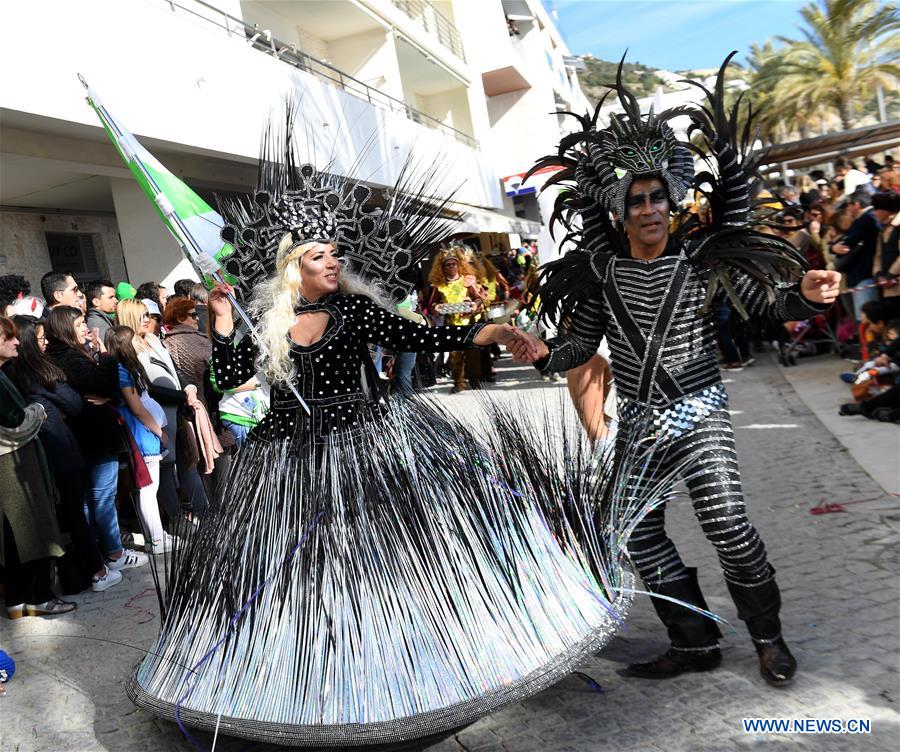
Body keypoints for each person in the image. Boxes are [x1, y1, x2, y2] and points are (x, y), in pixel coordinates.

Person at [128, 128, 653, 745]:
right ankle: (306, 675)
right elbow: (222, 378)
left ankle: (405, 661)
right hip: (289, 462)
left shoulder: (353, 311)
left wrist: (485, 335)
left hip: (365, 444)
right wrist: (221, 325)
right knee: (311, 571)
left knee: (387, 561)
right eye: (320, 256)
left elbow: (420, 338)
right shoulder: (264, 320)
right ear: (292, 268)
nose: (334, 263)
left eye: (335, 255)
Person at [510, 54, 841, 687]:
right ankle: (693, 642)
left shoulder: (704, 263)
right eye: (635, 201)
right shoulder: (599, 275)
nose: (648, 209)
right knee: (634, 532)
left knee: (727, 526)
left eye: (658, 196)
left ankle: (769, 639)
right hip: (639, 424)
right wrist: (544, 355)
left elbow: (765, 301)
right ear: (618, 211)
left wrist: (808, 297)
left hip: (701, 414)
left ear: (673, 198)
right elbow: (580, 345)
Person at [5, 316, 121, 593]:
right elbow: (75, 403)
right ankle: (97, 570)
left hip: (44, 454)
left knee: (70, 512)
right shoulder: (37, 373)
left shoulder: (13, 374)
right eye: (41, 339)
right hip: (59, 451)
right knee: (76, 512)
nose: (45, 344)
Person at [44, 306, 149, 573]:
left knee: (92, 499)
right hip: (95, 438)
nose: (85, 328)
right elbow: (103, 383)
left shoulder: (65, 355)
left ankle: (103, 551)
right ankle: (114, 552)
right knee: (102, 498)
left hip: (85, 438)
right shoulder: (70, 357)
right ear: (65, 328)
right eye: (79, 323)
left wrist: (108, 394)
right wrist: (104, 354)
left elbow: (108, 390)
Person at [0, 316, 75, 619]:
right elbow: (15, 420)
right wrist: (37, 410)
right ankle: (39, 597)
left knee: (11, 534)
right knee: (31, 530)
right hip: (14, 464)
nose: (17, 342)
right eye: (9, 337)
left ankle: (18, 600)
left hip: (11, 462)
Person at [116, 299, 207, 522]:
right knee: (166, 468)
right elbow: (147, 388)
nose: (147, 319)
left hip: (176, 411)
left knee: (188, 462)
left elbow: (173, 370)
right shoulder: (128, 348)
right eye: (141, 315)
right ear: (129, 318)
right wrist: (182, 396)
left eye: (148, 314)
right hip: (159, 417)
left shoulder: (153, 340)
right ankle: (176, 519)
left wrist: (188, 387)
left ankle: (203, 513)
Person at [105, 326, 173, 555]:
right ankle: (155, 539)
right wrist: (158, 431)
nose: (139, 342)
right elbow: (137, 408)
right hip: (141, 432)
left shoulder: (126, 369)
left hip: (142, 430)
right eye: (134, 339)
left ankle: (157, 534)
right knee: (147, 488)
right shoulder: (123, 371)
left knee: (147, 488)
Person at [427, 247, 485, 393]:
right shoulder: (439, 286)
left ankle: (475, 379)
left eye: (454, 264)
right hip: (450, 324)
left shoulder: (468, 281)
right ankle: (458, 382)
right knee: (454, 355)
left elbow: (479, 298)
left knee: (472, 353)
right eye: (448, 264)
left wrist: (474, 305)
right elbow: (431, 304)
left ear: (459, 265)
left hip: (468, 323)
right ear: (443, 268)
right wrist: (437, 308)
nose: (451, 267)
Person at [831, 190, 880, 321]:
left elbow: (847, 242)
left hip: (863, 273)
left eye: (849, 205)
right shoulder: (867, 218)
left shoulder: (866, 219)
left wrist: (833, 247)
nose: (848, 208)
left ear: (856, 205)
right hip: (863, 274)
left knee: (866, 319)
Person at [85, 279, 118, 343]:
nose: (116, 300)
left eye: (115, 297)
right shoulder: (97, 324)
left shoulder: (101, 320)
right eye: (111, 297)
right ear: (96, 302)